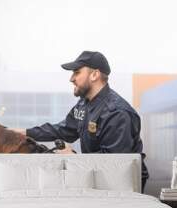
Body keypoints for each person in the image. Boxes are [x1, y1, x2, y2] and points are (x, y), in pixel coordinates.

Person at [10, 51, 149, 190]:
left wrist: (74, 158)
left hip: (125, 188)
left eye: (76, 72)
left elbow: (115, 164)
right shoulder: (84, 104)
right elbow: (64, 130)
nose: (71, 78)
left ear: (94, 75)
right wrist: (24, 133)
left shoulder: (117, 113)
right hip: (98, 178)